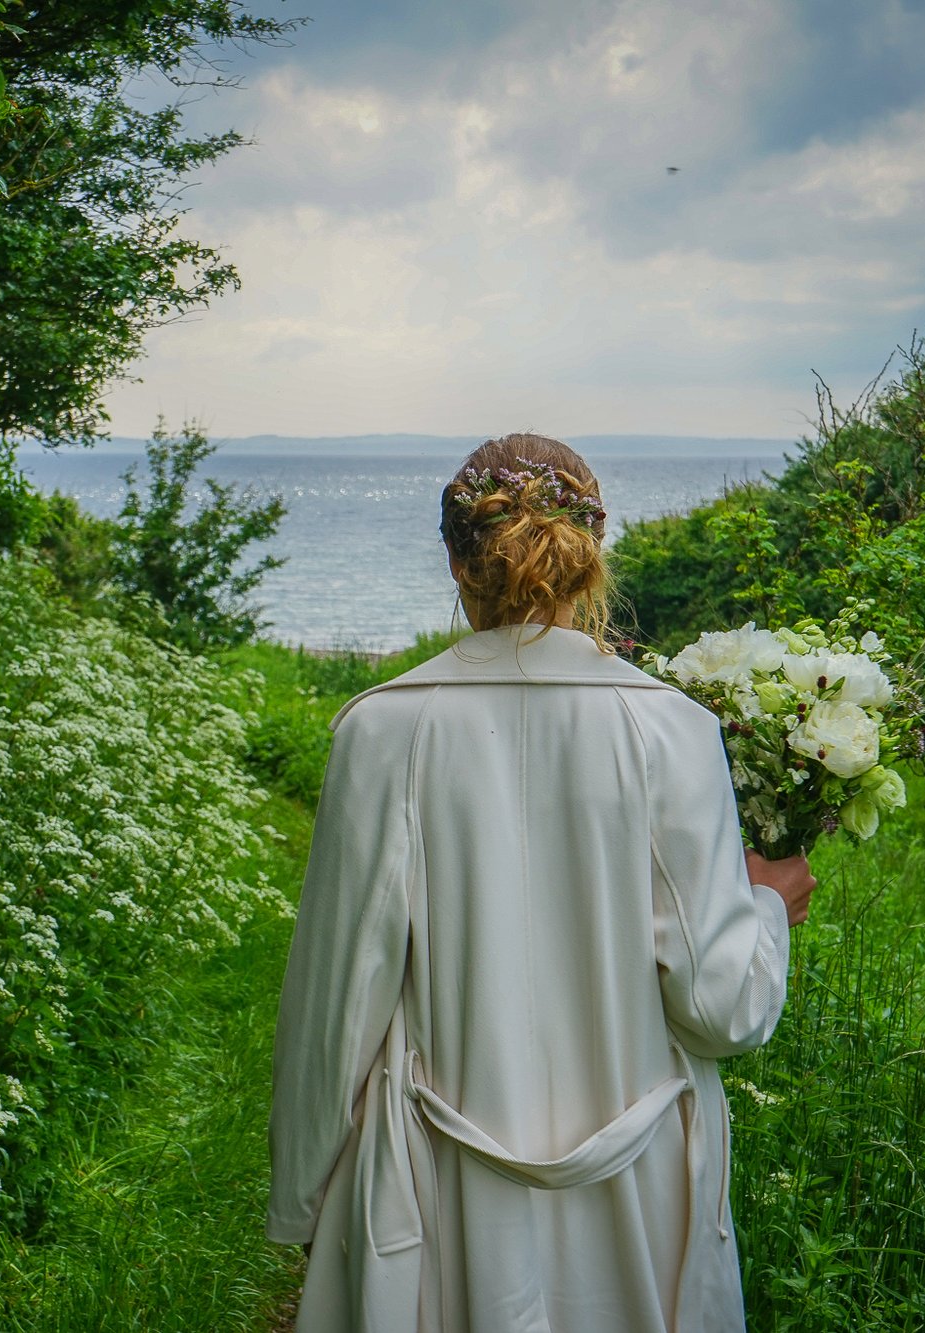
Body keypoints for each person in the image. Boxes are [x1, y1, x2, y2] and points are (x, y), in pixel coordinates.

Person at [266, 433, 816, 1332]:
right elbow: (723, 1010)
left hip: (435, 1193)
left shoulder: (382, 730)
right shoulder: (671, 729)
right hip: (639, 1210)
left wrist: (300, 1197)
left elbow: (333, 1007)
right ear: (595, 551)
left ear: (454, 557)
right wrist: (768, 903)